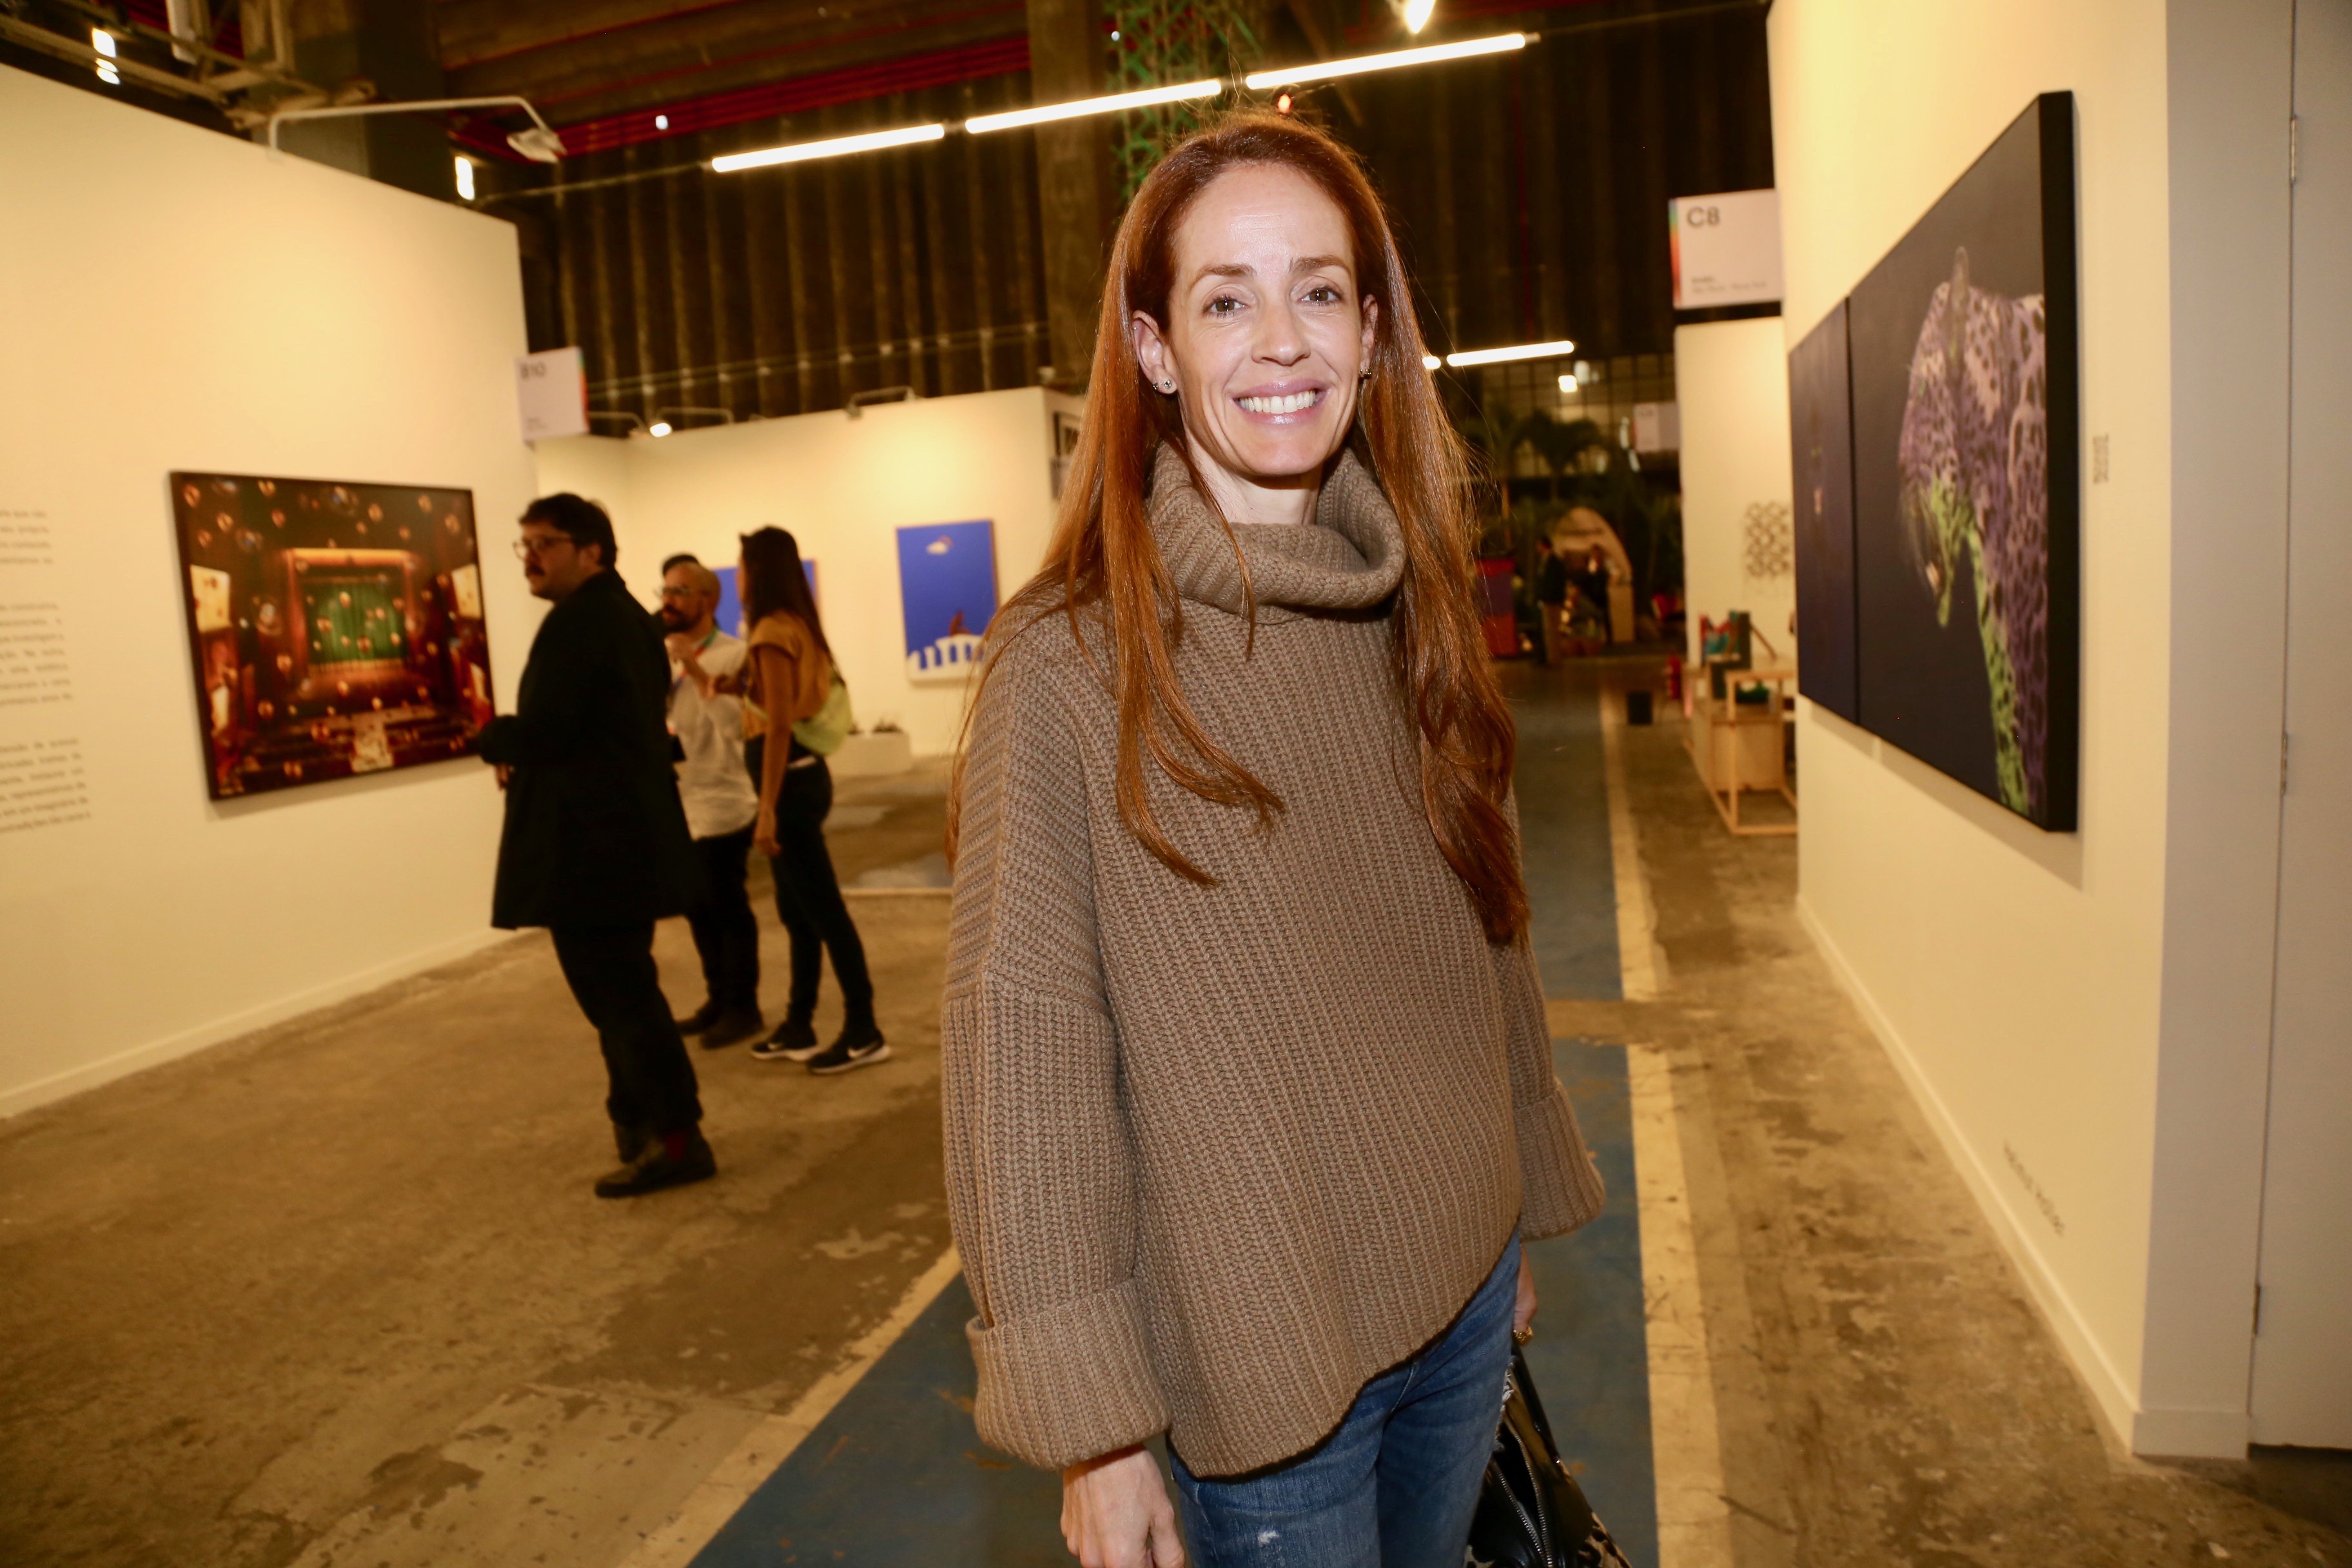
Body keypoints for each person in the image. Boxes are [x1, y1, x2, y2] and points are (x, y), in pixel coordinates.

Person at [942, 113, 1605, 1568]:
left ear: (1370, 334)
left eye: (1317, 290)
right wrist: (1098, 1429)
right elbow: (1024, 1048)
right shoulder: (1070, 663)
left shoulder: (1418, 611)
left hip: (1464, 1291)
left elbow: (1484, 935)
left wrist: (1508, 1204)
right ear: (1156, 348)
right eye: (1225, 300)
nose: (1282, 341)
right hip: (1267, 1361)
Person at [479, 494, 716, 1199]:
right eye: (524, 544)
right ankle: (641, 1123)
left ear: (591, 552)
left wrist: (495, 736)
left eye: (544, 544)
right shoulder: (625, 617)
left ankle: (676, 1136)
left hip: (591, 850)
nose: (530, 557)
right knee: (624, 992)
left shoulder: (583, 622)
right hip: (618, 841)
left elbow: (556, 731)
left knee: (620, 999)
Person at [736, 525, 887, 1074]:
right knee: (797, 912)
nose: (738, 577)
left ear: (757, 570)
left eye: (742, 565)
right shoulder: (798, 623)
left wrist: (767, 808)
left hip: (790, 788)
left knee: (823, 912)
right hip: (803, 779)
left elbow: (779, 724)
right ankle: (799, 1022)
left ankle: (863, 1029)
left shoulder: (771, 631)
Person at [658, 553, 765, 1048]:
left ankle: (744, 1007)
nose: (668, 600)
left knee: (728, 908)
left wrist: (694, 668)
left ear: (708, 599)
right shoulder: (658, 656)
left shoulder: (735, 655)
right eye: (665, 590)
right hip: (681, 801)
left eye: (680, 591)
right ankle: (717, 998)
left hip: (725, 801)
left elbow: (737, 728)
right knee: (697, 908)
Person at [1534, 534, 1571, 664]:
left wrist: (1547, 597)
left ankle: (1554, 659)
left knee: (1551, 631)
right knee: (1551, 631)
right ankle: (1553, 658)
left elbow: (1552, 582)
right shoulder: (1551, 561)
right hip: (1551, 600)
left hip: (1551, 601)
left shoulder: (1552, 562)